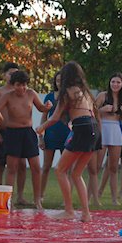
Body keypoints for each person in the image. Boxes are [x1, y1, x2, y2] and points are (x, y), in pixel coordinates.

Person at [36, 61, 101, 222]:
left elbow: (55, 117)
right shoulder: (85, 92)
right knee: (76, 173)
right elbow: (91, 113)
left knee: (60, 170)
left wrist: (41, 127)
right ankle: (86, 214)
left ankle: (69, 211)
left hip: (82, 128)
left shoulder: (67, 92)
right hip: (93, 128)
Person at [0, 70, 52, 210]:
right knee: (12, 168)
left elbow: (41, 108)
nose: (22, 88)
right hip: (13, 133)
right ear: (13, 85)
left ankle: (37, 200)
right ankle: (9, 201)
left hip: (28, 132)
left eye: (24, 85)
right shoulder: (7, 96)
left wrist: (47, 107)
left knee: (36, 167)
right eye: (19, 85)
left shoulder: (31, 93)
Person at [0, 62, 28, 204]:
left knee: (22, 165)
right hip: (2, 132)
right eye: (10, 73)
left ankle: (20, 196)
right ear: (4, 75)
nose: (13, 76)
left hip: (18, 133)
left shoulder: (23, 92)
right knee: (0, 166)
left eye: (15, 73)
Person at [95, 73, 122, 206]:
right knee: (97, 166)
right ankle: (93, 196)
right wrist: (102, 110)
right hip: (102, 128)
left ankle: (114, 198)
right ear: (109, 83)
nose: (115, 84)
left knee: (114, 167)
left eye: (118, 82)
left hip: (115, 129)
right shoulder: (102, 96)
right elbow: (92, 111)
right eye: (113, 81)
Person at [39, 71, 70, 202]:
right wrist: (41, 137)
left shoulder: (70, 96)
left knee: (65, 169)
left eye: (62, 80)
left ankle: (66, 198)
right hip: (51, 133)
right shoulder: (49, 96)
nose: (60, 83)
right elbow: (44, 117)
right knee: (46, 166)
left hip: (66, 134)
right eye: (57, 80)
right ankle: (40, 195)